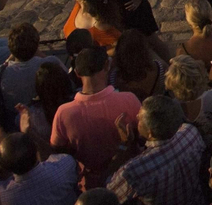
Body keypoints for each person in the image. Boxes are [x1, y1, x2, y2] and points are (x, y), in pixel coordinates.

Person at [107, 95, 208, 205]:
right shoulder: (191, 133)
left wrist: (124, 147)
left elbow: (108, 197)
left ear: (150, 132)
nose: (136, 120)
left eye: (139, 119)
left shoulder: (134, 170)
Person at [50, 47, 143, 190]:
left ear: (77, 73)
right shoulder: (129, 100)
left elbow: (58, 150)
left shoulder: (64, 113)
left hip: (89, 185)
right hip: (129, 179)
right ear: (107, 66)